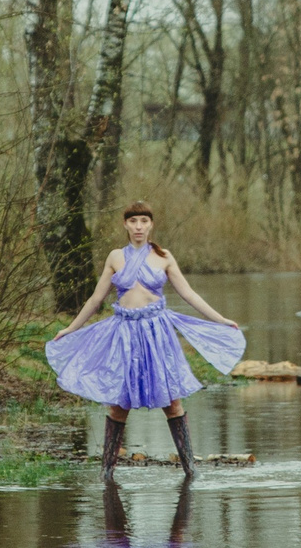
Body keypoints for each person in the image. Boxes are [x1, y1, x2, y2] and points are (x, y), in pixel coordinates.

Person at [46, 202, 245, 481]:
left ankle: (190, 469)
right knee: (119, 403)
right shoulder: (115, 257)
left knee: (172, 401)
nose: (139, 226)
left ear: (151, 224)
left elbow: (188, 294)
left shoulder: (163, 257)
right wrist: (70, 327)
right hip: (124, 333)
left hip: (157, 333)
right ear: (125, 225)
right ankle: (107, 473)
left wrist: (220, 319)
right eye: (133, 221)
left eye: (143, 221)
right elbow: (96, 299)